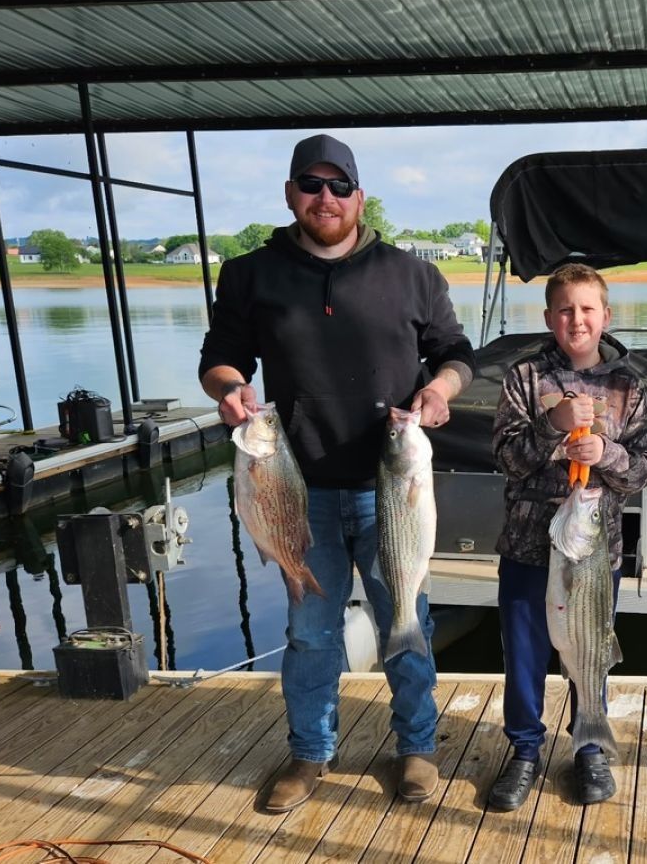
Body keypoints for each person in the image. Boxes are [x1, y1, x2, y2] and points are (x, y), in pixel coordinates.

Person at [198, 134, 475, 813]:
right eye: (311, 185)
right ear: (291, 194)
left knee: (407, 623)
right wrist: (229, 388)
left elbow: (457, 354)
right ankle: (310, 754)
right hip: (298, 491)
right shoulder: (249, 275)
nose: (326, 198)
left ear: (360, 195)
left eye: (339, 186)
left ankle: (416, 747)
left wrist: (438, 392)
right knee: (310, 634)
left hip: (392, 489)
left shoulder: (414, 274)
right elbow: (221, 357)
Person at [486, 263, 647, 810]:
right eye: (565, 309)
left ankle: (589, 745)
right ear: (548, 318)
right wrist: (552, 426)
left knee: (590, 648)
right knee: (524, 655)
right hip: (526, 549)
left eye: (587, 309)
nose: (576, 319)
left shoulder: (627, 385)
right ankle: (524, 751)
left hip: (590, 555)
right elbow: (506, 459)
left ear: (606, 316)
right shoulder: (524, 377)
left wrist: (606, 453)